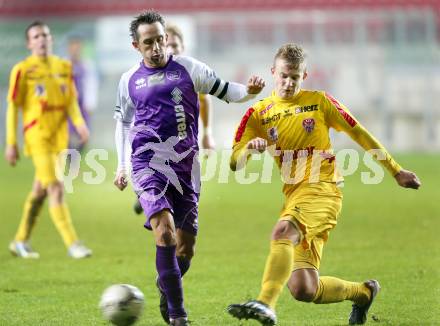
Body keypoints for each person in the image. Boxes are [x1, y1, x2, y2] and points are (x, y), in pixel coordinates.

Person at [227, 43, 421, 325]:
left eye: (295, 77)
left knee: (283, 230)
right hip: (295, 196)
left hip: (324, 190)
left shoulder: (320, 102)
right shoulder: (258, 113)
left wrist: (395, 170)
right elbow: (234, 162)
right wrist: (249, 151)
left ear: (304, 76)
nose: (288, 82)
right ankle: (364, 293)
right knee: (303, 288)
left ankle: (264, 303)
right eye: (283, 75)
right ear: (272, 72)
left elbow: (360, 133)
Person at [113, 10, 264, 326]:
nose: (156, 48)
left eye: (160, 40)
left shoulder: (189, 68)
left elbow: (225, 90)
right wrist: (122, 166)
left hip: (187, 167)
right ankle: (178, 316)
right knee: (164, 233)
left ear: (166, 37)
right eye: (148, 43)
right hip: (147, 164)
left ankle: (166, 282)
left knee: (186, 248)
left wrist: (248, 92)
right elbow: (123, 124)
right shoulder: (128, 80)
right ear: (136, 46)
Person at [5, 21, 92, 259]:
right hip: (37, 135)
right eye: (36, 36)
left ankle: (20, 241)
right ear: (29, 43)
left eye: (45, 35)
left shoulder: (64, 67)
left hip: (59, 137)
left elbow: (71, 101)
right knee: (56, 187)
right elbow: (13, 107)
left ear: (51, 39)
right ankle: (73, 243)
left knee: (40, 190)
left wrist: (80, 124)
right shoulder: (23, 70)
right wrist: (11, 142)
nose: (41, 39)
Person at [132, 23, 215, 215]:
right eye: (168, 46)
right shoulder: (147, 77)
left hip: (185, 144)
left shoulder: (190, 72)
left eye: (175, 46)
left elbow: (204, 99)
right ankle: (149, 191)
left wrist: (208, 133)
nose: (170, 50)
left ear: (182, 48)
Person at [66, 35, 99, 152]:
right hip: (68, 106)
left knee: (84, 135)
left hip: (82, 106)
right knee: (66, 135)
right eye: (73, 47)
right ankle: (71, 160)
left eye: (78, 47)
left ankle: (76, 155)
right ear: (69, 48)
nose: (75, 50)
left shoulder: (87, 65)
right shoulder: (64, 65)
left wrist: (90, 103)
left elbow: (92, 84)